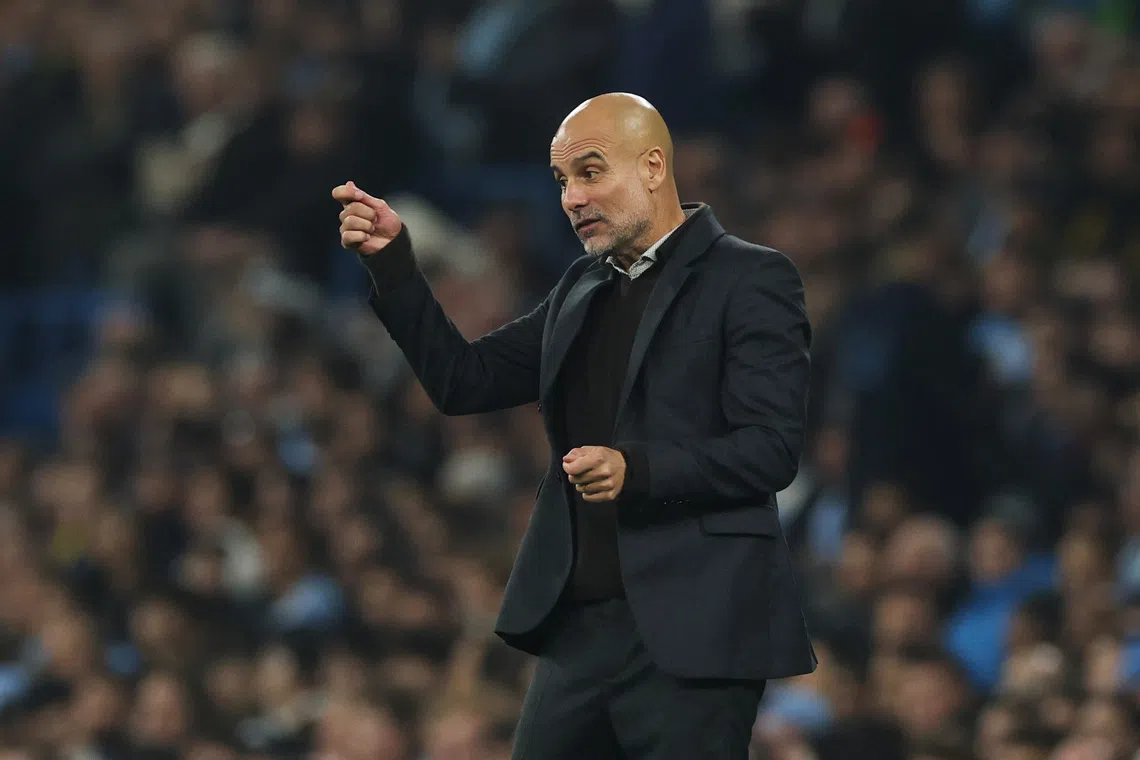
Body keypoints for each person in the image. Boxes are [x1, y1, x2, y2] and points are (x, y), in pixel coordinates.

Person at [332, 93, 816, 760]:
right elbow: (463, 381)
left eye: (591, 172)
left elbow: (769, 450)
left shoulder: (752, 277)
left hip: (696, 625)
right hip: (582, 631)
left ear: (652, 167)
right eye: (562, 181)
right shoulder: (580, 288)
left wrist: (636, 469)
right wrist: (395, 266)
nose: (572, 198)